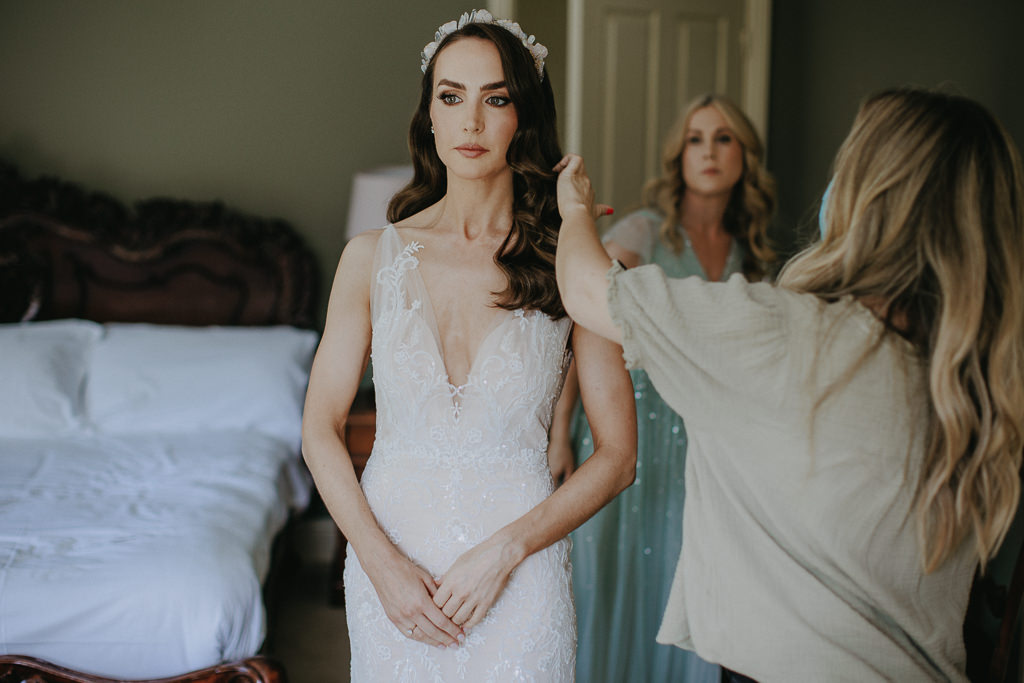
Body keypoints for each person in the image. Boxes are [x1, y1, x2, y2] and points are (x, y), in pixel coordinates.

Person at [553, 86, 1024, 681]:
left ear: (866, 196)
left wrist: (573, 214)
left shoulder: (783, 331)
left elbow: (587, 290)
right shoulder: (980, 378)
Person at [301, 9, 636, 681]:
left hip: (519, 576)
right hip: (393, 575)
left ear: (525, 116)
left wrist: (506, 551)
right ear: (429, 115)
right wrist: (378, 560)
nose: (471, 122)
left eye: (496, 99)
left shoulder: (569, 264)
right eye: (451, 97)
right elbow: (319, 427)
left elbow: (619, 456)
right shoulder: (370, 258)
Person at [547, 93, 776, 683]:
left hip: (701, 441)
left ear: (744, 156)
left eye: (724, 138)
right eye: (696, 139)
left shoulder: (754, 254)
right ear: (678, 157)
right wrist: (560, 432)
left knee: (683, 572)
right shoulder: (643, 232)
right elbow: (586, 320)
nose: (709, 152)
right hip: (629, 423)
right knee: (614, 573)